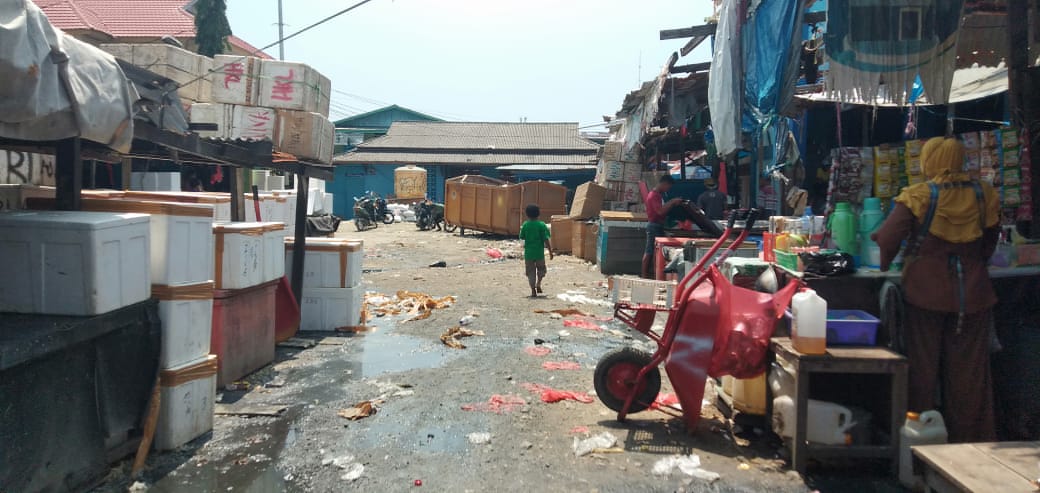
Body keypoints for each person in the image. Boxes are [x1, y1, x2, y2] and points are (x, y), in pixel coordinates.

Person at [872, 137, 1000, 443]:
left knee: (922, 372)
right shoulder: (985, 194)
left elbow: (887, 239)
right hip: (973, 295)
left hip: (925, 295)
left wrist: (887, 265)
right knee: (969, 377)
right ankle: (971, 447)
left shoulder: (918, 196)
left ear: (929, 161)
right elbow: (989, 243)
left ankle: (918, 445)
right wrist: (971, 263)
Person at [643, 175, 684, 279]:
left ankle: (653, 274)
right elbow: (660, 211)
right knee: (649, 251)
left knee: (654, 251)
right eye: (668, 187)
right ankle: (644, 274)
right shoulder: (654, 195)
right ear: (664, 183)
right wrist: (672, 202)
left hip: (657, 225)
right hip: (654, 225)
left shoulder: (659, 195)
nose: (668, 189)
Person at [519, 203, 552, 297]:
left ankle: (533, 290)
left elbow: (522, 239)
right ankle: (539, 283)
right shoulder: (541, 225)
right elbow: (546, 239)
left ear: (527, 214)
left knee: (530, 272)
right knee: (541, 270)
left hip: (528, 254)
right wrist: (550, 251)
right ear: (538, 214)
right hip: (539, 253)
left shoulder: (525, 225)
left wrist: (524, 247)